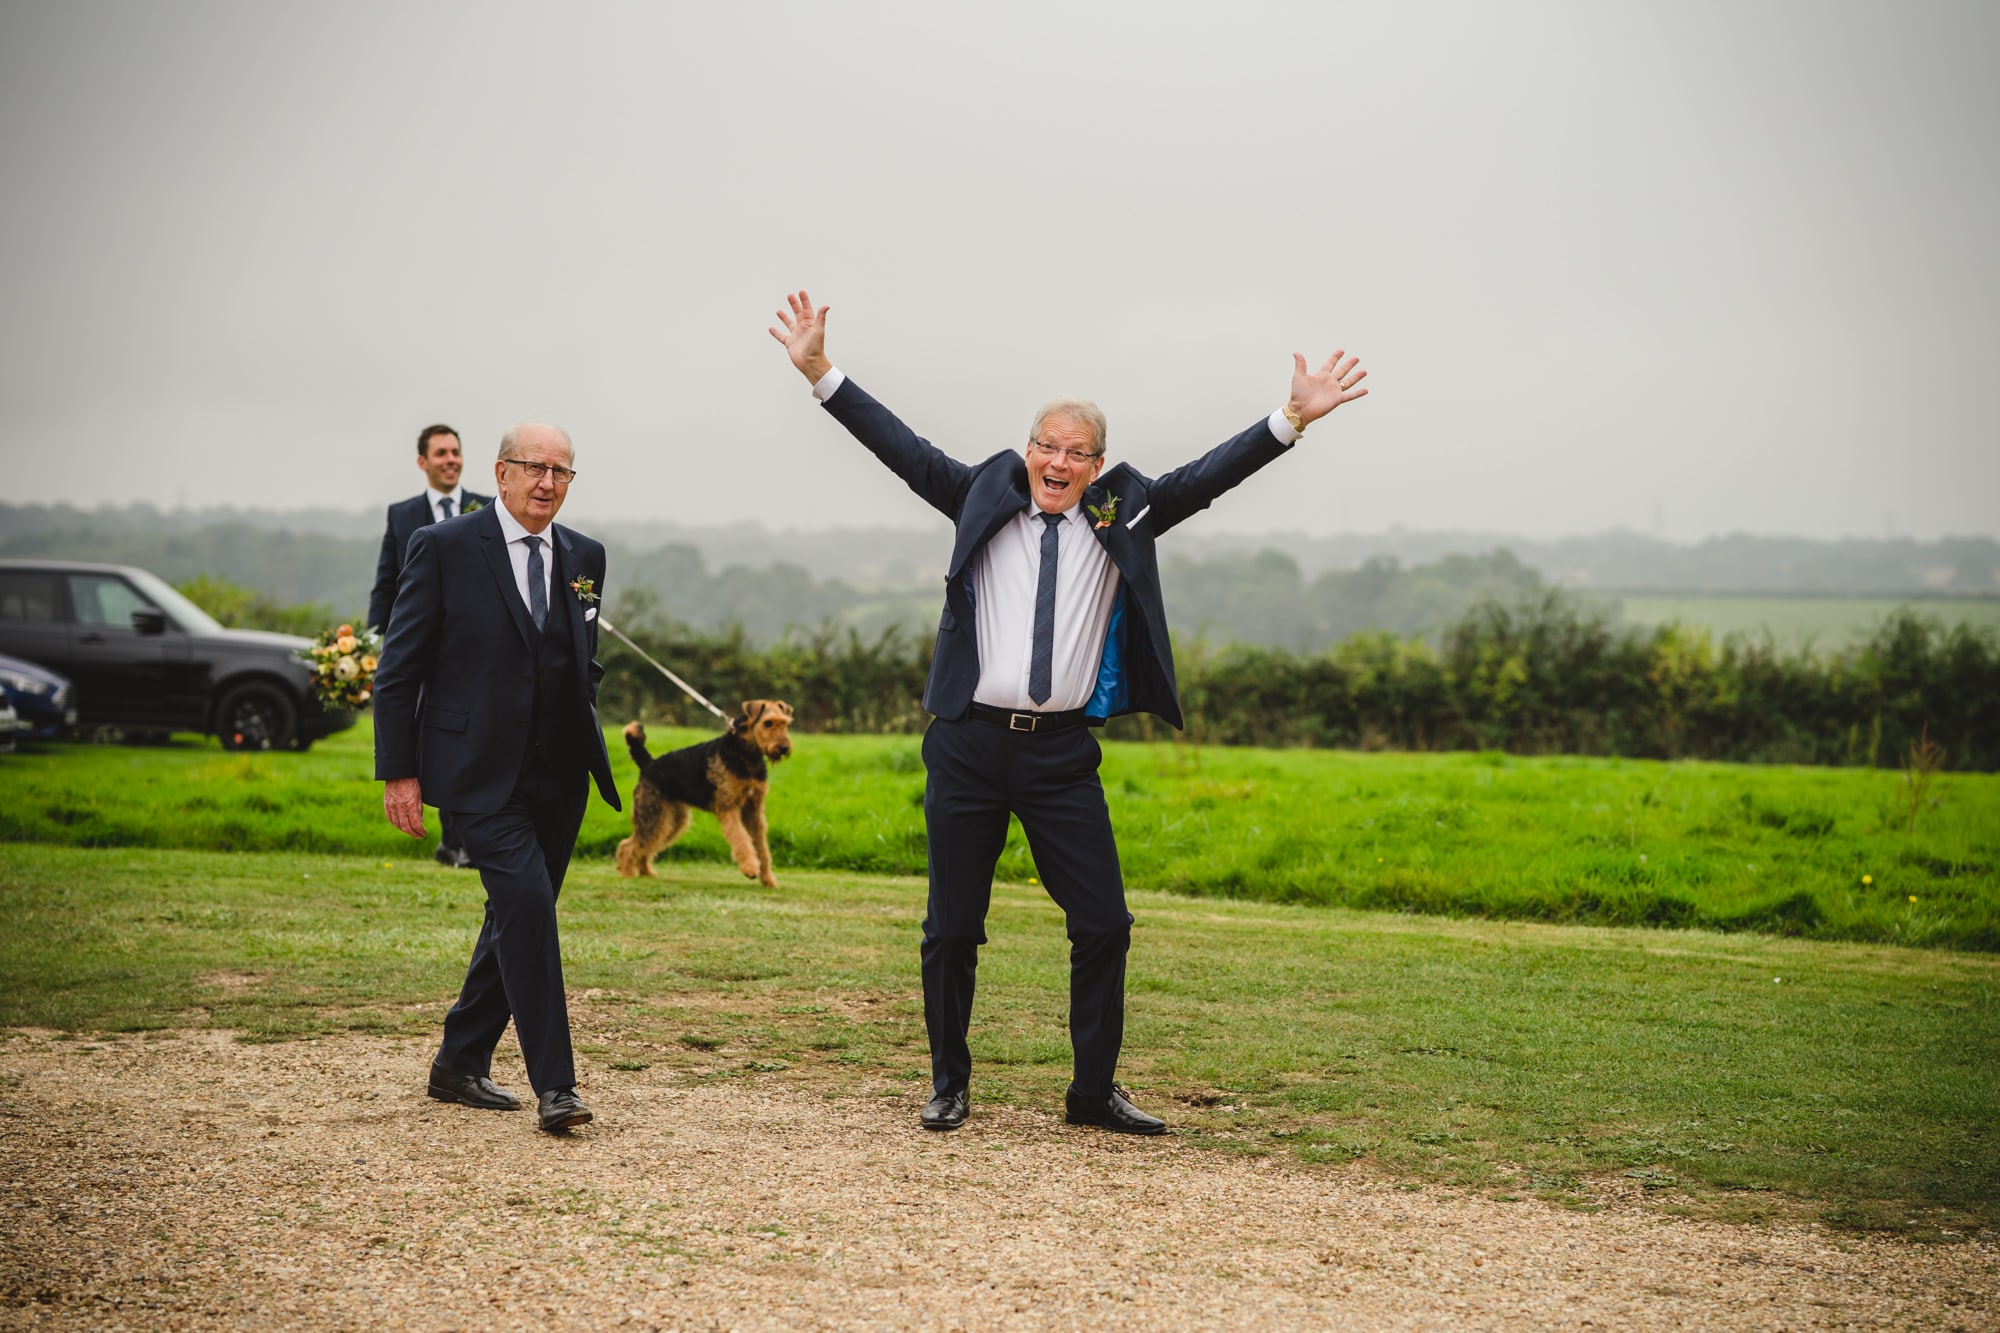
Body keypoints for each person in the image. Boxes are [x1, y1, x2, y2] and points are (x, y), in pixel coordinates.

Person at [768, 290, 1368, 1136]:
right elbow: (899, 446)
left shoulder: (1125, 512)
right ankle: (949, 1082)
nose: (1057, 462)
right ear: (1027, 452)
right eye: (1046, 446)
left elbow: (1208, 476)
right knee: (951, 929)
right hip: (969, 745)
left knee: (1104, 923)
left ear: (1095, 465)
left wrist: (1290, 419)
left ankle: (1091, 1092)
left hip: (1059, 757)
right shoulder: (981, 493)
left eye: (1075, 452)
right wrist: (820, 371)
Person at [372, 423, 620, 1134]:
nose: (548, 482)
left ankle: (459, 1059)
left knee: (513, 914)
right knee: (530, 911)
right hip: (477, 772)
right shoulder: (445, 547)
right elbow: (400, 669)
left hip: (561, 775)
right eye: (534, 468)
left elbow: (582, 654)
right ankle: (558, 1087)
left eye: (562, 472)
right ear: (501, 472)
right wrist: (400, 772)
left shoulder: (585, 556)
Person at [369, 423, 495, 869]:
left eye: (455, 452)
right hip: (420, 651)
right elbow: (387, 582)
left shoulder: (488, 509)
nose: (450, 460)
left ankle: (467, 842)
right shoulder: (401, 515)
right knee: (434, 744)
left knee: (470, 742)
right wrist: (374, 641)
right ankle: (451, 841)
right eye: (440, 453)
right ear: (423, 461)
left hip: (469, 654)